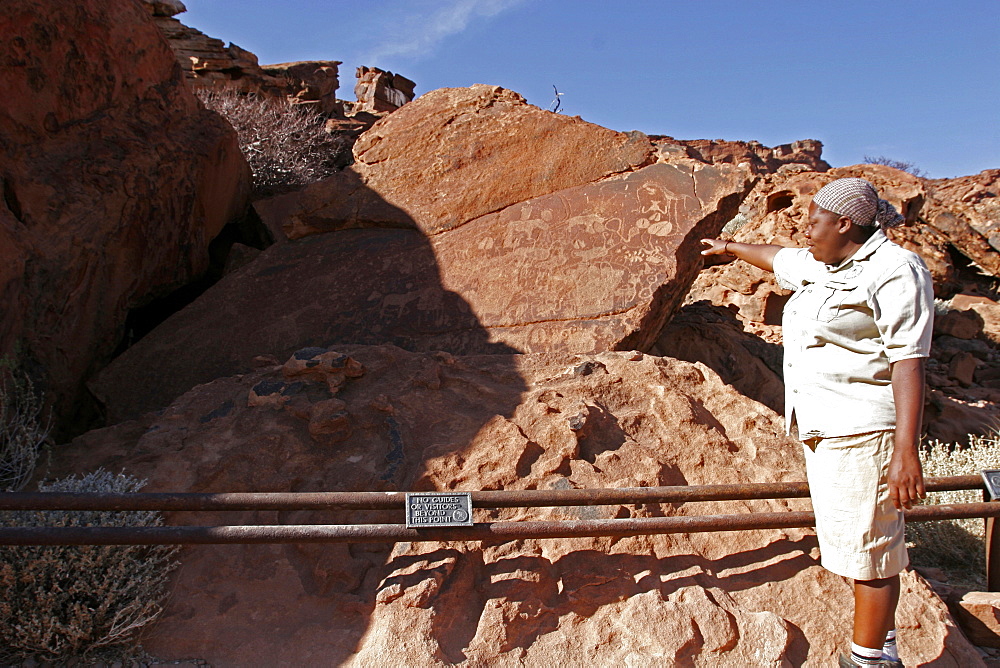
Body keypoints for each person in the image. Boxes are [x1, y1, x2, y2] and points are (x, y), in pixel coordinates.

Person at [701, 178, 934, 667]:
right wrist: (729, 247)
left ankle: (869, 660)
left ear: (844, 224)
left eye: (814, 221)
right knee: (853, 547)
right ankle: (880, 648)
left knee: (869, 553)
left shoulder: (895, 270)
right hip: (825, 430)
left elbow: (908, 363)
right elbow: (779, 258)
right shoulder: (826, 264)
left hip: (865, 432)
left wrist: (905, 452)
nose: (804, 229)